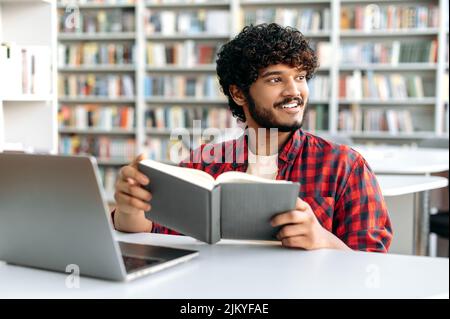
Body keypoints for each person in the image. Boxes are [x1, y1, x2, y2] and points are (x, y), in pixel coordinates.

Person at [112, 23, 392, 253]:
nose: (294, 91)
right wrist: (129, 208)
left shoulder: (345, 166)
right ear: (239, 93)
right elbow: (153, 231)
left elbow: (373, 265)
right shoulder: (203, 164)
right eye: (275, 79)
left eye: (300, 77)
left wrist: (323, 240)